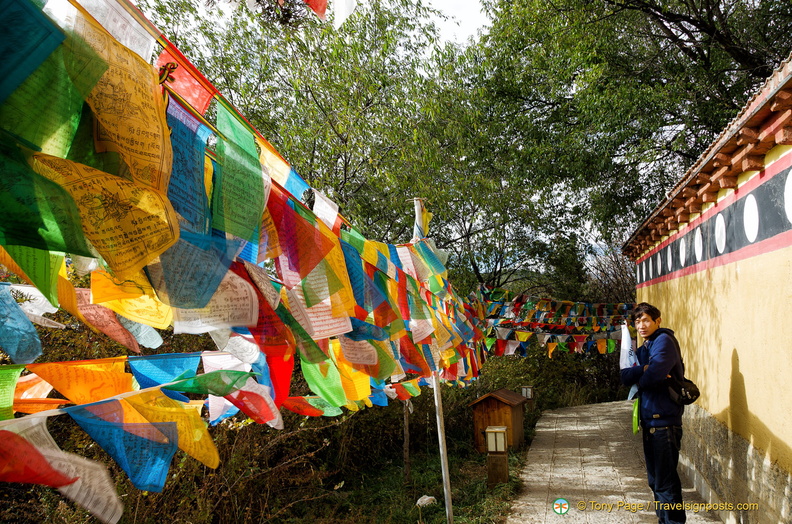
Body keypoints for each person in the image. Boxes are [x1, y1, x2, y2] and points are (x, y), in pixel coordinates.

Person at [621, 302, 686, 524]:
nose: (641, 325)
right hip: (650, 422)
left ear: (658, 321)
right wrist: (643, 370)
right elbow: (624, 376)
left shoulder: (663, 341)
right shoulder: (646, 347)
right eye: (637, 321)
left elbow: (654, 376)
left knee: (665, 483)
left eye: (646, 320)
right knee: (655, 481)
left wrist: (644, 374)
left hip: (664, 423)